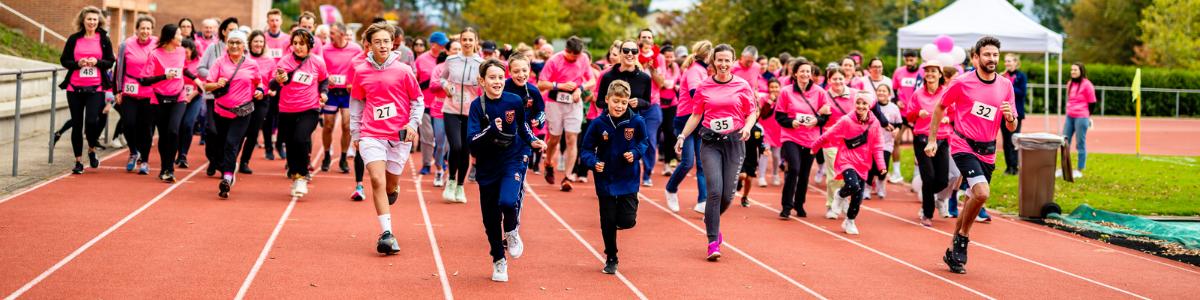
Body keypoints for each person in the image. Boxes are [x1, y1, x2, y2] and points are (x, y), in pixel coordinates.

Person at [925, 36, 1017, 274]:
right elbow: (940, 107)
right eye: (987, 55)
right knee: (982, 193)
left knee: (971, 201)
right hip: (963, 145)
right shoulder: (962, 82)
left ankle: (953, 252)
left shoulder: (1005, 85)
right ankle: (964, 238)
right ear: (976, 57)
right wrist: (933, 139)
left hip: (988, 151)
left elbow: (1011, 127)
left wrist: (1010, 117)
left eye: (995, 55)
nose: (992, 59)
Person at [673, 44, 758, 261]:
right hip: (710, 142)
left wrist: (747, 127)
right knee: (714, 191)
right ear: (713, 61)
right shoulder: (704, 86)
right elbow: (695, 115)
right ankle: (712, 241)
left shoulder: (742, 85)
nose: (723, 64)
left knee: (728, 196)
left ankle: (711, 219)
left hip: (735, 141)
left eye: (727, 60)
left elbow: (752, 112)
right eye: (719, 60)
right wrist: (682, 136)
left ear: (733, 61)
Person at [346, 23, 424, 254]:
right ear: (369, 44)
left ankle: (394, 188)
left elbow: (417, 100)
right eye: (378, 41)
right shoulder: (361, 71)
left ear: (393, 43)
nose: (383, 45)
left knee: (389, 185)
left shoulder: (404, 70)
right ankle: (387, 234)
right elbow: (357, 104)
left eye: (386, 41)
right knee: (377, 181)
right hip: (372, 134)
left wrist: (412, 124)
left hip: (398, 136)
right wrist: (356, 133)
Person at [468, 59, 546, 282]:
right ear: (482, 81)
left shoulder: (514, 100)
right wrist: (491, 130)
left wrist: (533, 141)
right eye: (492, 78)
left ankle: (511, 232)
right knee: (491, 219)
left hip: (512, 159)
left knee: (508, 201)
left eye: (501, 77)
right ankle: (498, 259)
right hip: (487, 165)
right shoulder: (477, 106)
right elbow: (472, 142)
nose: (498, 82)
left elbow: (523, 127)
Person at [581, 80, 648, 275]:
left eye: (623, 102)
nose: (619, 106)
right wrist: (593, 162)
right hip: (606, 177)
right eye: (616, 101)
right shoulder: (598, 124)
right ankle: (611, 256)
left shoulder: (636, 121)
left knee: (627, 221)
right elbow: (585, 149)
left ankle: (625, 215)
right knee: (608, 220)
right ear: (607, 100)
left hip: (628, 177)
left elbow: (644, 142)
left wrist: (635, 153)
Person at [810, 91, 886, 235]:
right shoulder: (846, 120)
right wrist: (815, 146)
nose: (861, 106)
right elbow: (829, 134)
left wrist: (881, 165)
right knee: (852, 185)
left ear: (869, 106)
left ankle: (850, 221)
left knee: (858, 196)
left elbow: (877, 146)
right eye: (858, 102)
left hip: (863, 163)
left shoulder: (875, 123)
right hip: (846, 159)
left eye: (864, 103)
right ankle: (839, 195)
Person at [201, 29, 261, 198]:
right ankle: (229, 167)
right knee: (221, 144)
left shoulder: (251, 64)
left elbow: (259, 83)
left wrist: (260, 91)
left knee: (231, 143)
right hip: (221, 111)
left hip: (243, 112)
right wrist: (217, 84)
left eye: (238, 43)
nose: (234, 46)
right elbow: (207, 86)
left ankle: (227, 178)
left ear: (244, 46)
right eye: (231, 42)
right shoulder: (220, 62)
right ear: (227, 45)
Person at [273, 29, 329, 197]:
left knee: (301, 138)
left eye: (301, 44)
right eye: (295, 43)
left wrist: (324, 92)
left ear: (309, 45)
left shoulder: (317, 62)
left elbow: (324, 79)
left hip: (309, 108)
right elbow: (282, 79)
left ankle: (301, 176)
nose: (297, 47)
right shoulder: (284, 61)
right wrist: (280, 78)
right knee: (290, 143)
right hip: (287, 108)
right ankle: (295, 172)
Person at [60, 6, 115, 174]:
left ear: (99, 22)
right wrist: (78, 64)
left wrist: (96, 62)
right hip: (74, 87)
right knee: (77, 125)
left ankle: (91, 149)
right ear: (82, 21)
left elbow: (110, 61)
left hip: (96, 87)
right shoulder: (74, 39)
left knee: (91, 121)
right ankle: (78, 161)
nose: (92, 22)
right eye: (89, 19)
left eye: (94, 19)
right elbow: (64, 60)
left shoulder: (104, 39)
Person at [774, 61, 828, 219]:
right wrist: (791, 122)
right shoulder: (786, 92)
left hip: (811, 139)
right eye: (802, 71)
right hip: (791, 136)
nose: (805, 74)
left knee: (804, 174)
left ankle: (799, 204)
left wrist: (817, 121)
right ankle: (786, 206)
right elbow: (779, 116)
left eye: (808, 71)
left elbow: (826, 116)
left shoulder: (820, 92)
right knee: (794, 169)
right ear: (795, 73)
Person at [537, 36, 592, 192]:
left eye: (578, 55)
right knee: (554, 139)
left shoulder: (583, 59)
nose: (575, 58)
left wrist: (579, 89)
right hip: (554, 103)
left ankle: (568, 176)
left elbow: (591, 80)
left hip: (574, 103)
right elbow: (541, 84)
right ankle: (548, 162)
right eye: (573, 55)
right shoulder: (554, 60)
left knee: (571, 138)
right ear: (566, 51)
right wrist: (558, 85)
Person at [664, 41, 712, 214]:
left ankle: (703, 201)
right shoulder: (694, 70)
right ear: (706, 55)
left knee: (702, 163)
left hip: (701, 120)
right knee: (687, 162)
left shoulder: (704, 70)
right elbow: (694, 93)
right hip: (686, 119)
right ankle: (670, 188)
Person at [906, 61, 956, 226]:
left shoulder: (947, 93)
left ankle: (927, 194)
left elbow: (956, 113)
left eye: (933, 71)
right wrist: (916, 113)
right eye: (927, 71)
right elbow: (908, 115)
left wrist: (949, 118)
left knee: (942, 180)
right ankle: (927, 214)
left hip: (942, 139)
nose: (930, 74)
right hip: (922, 139)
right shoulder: (918, 94)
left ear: (940, 74)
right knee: (928, 178)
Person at [439, 28, 484, 203]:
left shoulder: (481, 63)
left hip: (470, 112)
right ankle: (450, 180)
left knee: (466, 150)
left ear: (475, 42)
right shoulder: (451, 60)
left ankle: (459, 186)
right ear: (460, 40)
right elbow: (442, 78)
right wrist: (445, 86)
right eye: (464, 39)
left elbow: (485, 86)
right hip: (450, 109)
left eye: (470, 40)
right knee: (455, 146)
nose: (466, 43)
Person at [142, 24, 190, 182]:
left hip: (179, 97)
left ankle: (170, 169)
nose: (181, 37)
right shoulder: (154, 54)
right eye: (178, 35)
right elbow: (145, 80)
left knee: (173, 131)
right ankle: (164, 168)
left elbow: (183, 70)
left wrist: (196, 80)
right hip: (159, 99)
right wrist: (164, 76)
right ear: (170, 38)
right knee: (163, 135)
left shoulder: (182, 51)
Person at [115, 15, 158, 175]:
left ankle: (145, 161)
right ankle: (133, 152)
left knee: (146, 128)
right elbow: (119, 69)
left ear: (151, 30)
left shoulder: (157, 44)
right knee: (128, 123)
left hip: (149, 92)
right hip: (129, 90)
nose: (145, 31)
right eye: (142, 28)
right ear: (137, 29)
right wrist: (118, 90)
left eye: (148, 28)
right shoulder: (126, 45)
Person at [198, 17, 241, 175]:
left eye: (236, 30)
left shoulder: (242, 50)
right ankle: (212, 159)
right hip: (213, 96)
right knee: (212, 130)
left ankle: (222, 163)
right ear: (223, 32)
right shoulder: (213, 48)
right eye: (230, 30)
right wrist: (214, 77)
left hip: (234, 98)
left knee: (227, 133)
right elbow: (200, 68)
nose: (233, 33)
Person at [318, 23, 362, 174]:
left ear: (342, 34)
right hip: (331, 93)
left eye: (333, 33)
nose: (330, 35)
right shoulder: (325, 49)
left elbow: (361, 68)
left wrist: (354, 81)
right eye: (330, 32)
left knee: (346, 125)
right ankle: (326, 155)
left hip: (348, 93)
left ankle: (343, 157)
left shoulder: (356, 49)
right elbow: (320, 67)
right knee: (328, 125)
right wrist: (326, 77)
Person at [818, 68, 857, 219]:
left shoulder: (854, 95)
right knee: (834, 174)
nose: (838, 82)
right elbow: (817, 115)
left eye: (841, 78)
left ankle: (843, 199)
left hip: (851, 142)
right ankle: (830, 204)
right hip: (831, 141)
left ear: (846, 79)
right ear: (828, 81)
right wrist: (820, 112)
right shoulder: (824, 96)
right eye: (834, 79)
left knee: (848, 175)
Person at [236, 30, 277, 174]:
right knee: (240, 131)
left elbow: (272, 80)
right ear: (250, 43)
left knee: (253, 132)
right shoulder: (243, 58)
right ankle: (232, 160)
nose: (258, 44)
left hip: (262, 100)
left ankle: (244, 162)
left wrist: (267, 91)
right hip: (244, 99)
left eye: (261, 42)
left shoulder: (270, 61)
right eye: (256, 41)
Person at [416, 32, 449, 177]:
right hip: (426, 103)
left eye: (444, 45)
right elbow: (414, 80)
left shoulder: (449, 60)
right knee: (427, 136)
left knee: (443, 138)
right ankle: (426, 163)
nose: (443, 47)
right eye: (441, 45)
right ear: (432, 44)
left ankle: (441, 161)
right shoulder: (421, 59)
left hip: (444, 105)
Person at [865, 84, 902, 200]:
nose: (881, 93)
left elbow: (899, 124)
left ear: (889, 94)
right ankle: (867, 188)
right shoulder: (871, 107)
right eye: (879, 91)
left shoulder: (894, 108)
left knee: (882, 167)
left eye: (884, 91)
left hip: (886, 142)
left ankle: (881, 183)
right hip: (871, 141)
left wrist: (896, 130)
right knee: (871, 166)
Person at [174, 39, 204, 169]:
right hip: (178, 97)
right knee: (178, 126)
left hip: (194, 97)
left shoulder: (199, 63)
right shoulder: (177, 61)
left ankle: (183, 155)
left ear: (192, 51)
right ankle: (178, 153)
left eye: (187, 51)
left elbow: (202, 84)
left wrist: (190, 97)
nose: (184, 54)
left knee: (188, 124)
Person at [1062, 62, 1095, 179]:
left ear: (1081, 71)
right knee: (1064, 141)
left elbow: (1092, 102)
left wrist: (1087, 115)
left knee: (1080, 143)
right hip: (1069, 116)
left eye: (1075, 70)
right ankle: (1064, 167)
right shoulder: (1070, 83)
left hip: (1082, 116)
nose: (1073, 72)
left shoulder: (1087, 84)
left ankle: (1080, 169)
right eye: (1071, 70)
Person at [1001, 53, 1028, 175]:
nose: (1007, 63)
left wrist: (1008, 84)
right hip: (1003, 112)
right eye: (1006, 61)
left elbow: (1022, 92)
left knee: (1014, 140)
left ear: (1016, 63)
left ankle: (1015, 166)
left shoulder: (1021, 76)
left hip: (1016, 112)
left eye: (1010, 61)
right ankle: (1008, 167)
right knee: (1006, 141)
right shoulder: (1002, 76)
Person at [657, 45, 682, 172]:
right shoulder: (658, 67)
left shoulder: (675, 67)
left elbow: (676, 80)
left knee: (670, 131)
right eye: (667, 57)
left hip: (672, 102)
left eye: (671, 57)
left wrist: (675, 85)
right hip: (658, 103)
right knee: (656, 133)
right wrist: (664, 83)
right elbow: (659, 83)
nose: (669, 59)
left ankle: (668, 162)